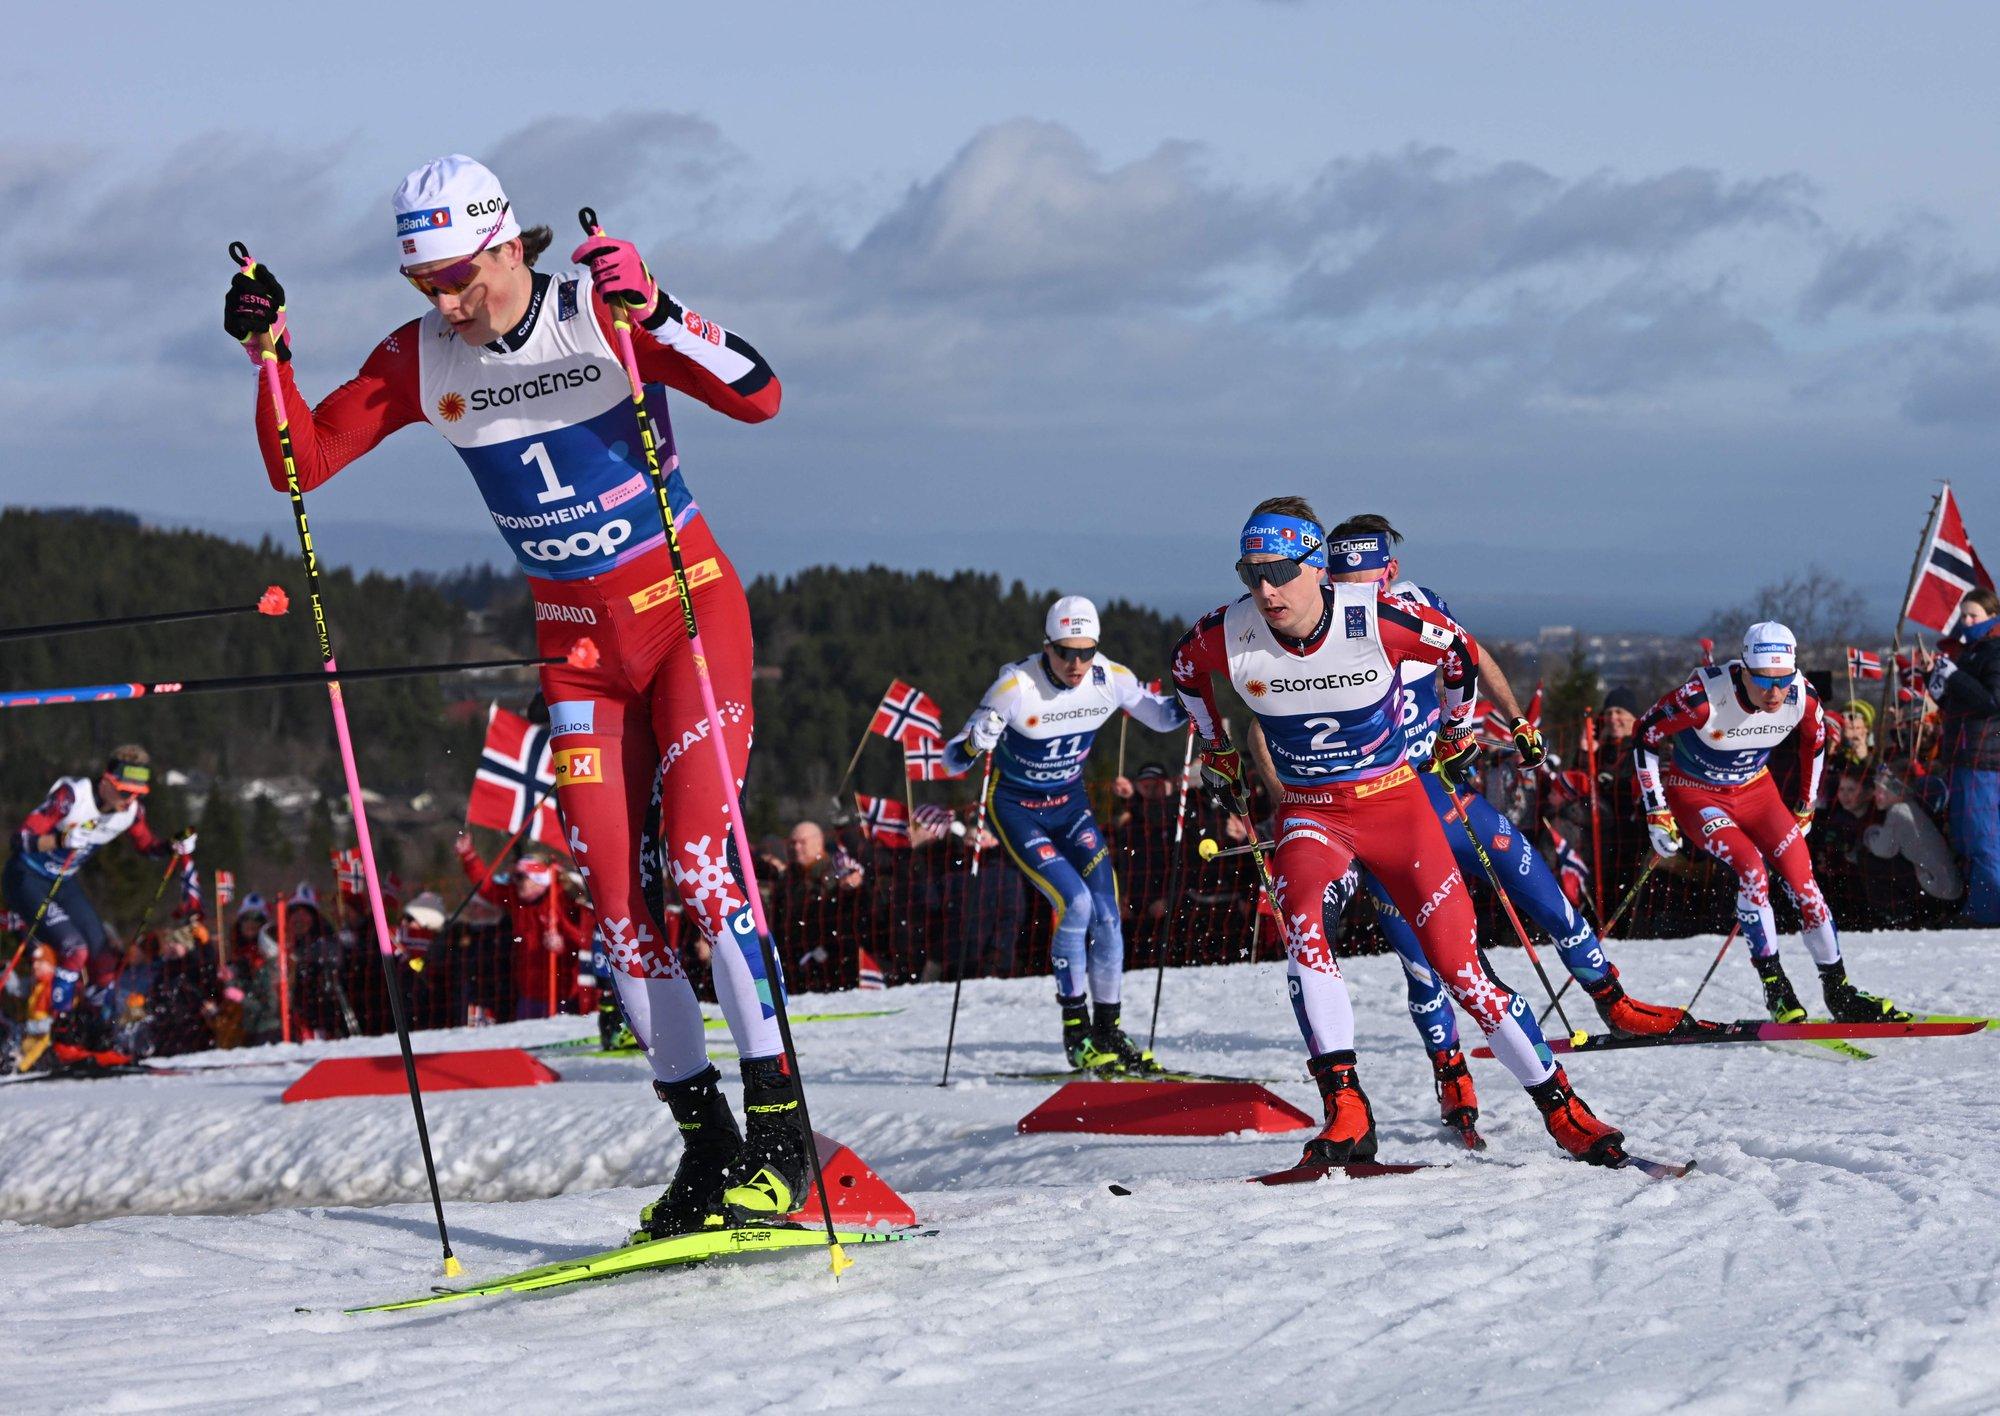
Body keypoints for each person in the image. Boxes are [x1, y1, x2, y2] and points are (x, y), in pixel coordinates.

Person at [223, 154, 807, 1236]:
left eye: (460, 277)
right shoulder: (419, 356)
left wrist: (664, 308)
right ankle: (709, 1149)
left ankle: (783, 1138)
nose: (448, 303)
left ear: (506, 243)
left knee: (697, 867)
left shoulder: (597, 313)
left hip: (685, 616)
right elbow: (301, 465)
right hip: (578, 650)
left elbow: (761, 394)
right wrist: (271, 355)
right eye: (425, 286)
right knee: (619, 915)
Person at [1172, 497, 1627, 1167]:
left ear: (1315, 565)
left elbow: (1458, 654)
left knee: (1460, 972)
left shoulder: (1374, 619)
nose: (1264, 590)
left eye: (1277, 571)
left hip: (1395, 805)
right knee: (1300, 920)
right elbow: (1185, 673)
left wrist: (1459, 730)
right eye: (1250, 574)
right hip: (1312, 812)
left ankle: (1561, 1106)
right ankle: (1347, 1108)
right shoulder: (1226, 633)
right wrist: (1214, 749)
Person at [1246, 513, 1702, 1147]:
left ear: (1391, 571)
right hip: (1378, 812)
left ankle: (1612, 998)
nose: (1357, 586)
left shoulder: (1412, 610)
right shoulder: (1310, 630)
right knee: (1424, 959)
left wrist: (1513, 723)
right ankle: (1450, 1070)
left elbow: (1473, 653)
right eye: (1344, 575)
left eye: (1367, 572)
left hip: (1440, 796)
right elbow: (1262, 720)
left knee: (1537, 886)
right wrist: (1297, 803)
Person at [944, 595, 1189, 1071]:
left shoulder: (1109, 678)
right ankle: (1076, 1031)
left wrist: (1195, 698)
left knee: (1107, 912)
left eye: (1086, 651)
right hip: (1018, 810)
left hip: (1071, 806)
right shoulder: (1015, 686)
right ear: (1047, 647)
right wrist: (975, 742)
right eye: (1065, 652)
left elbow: (1160, 716)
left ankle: (1108, 1029)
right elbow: (953, 758)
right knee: (1073, 903)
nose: (1076, 664)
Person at [1634, 622, 1909, 1022]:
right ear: (1743, 668)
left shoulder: (1802, 696)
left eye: (1783, 679)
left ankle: (1839, 990)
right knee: (1752, 870)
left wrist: (1806, 805)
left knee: (1806, 885)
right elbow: (1645, 733)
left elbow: (1814, 743)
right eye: (1763, 679)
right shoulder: (1701, 698)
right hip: (1696, 793)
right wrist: (1656, 810)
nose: (1774, 692)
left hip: (1756, 792)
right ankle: (1775, 986)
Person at [5, 746, 195, 971]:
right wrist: (61, 839)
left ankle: (95, 1005)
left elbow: (148, 848)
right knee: (75, 950)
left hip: (64, 883)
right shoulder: (72, 796)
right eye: (124, 792)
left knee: (104, 962)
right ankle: (53, 1003)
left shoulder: (132, 812)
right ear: (105, 783)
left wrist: (175, 844)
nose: (131, 800)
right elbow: (20, 840)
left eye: (138, 793)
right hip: (26, 878)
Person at [1922, 587, 2000, 925]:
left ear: (1992, 618)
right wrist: (1934, 678)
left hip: (1985, 760)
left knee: (1983, 838)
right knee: (1966, 837)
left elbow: (1991, 701)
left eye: (1974, 616)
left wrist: (1954, 675)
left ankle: (1987, 911)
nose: (1967, 622)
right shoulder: (1969, 653)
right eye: (1964, 616)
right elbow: (1957, 703)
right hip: (1963, 756)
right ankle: (1977, 905)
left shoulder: (1994, 652)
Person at [454, 838, 591, 1020]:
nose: (515, 882)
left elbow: (585, 940)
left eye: (520, 877)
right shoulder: (516, 898)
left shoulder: (564, 901)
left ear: (538, 879)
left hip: (561, 993)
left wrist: (562, 945)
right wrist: (469, 857)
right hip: (528, 992)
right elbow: (487, 888)